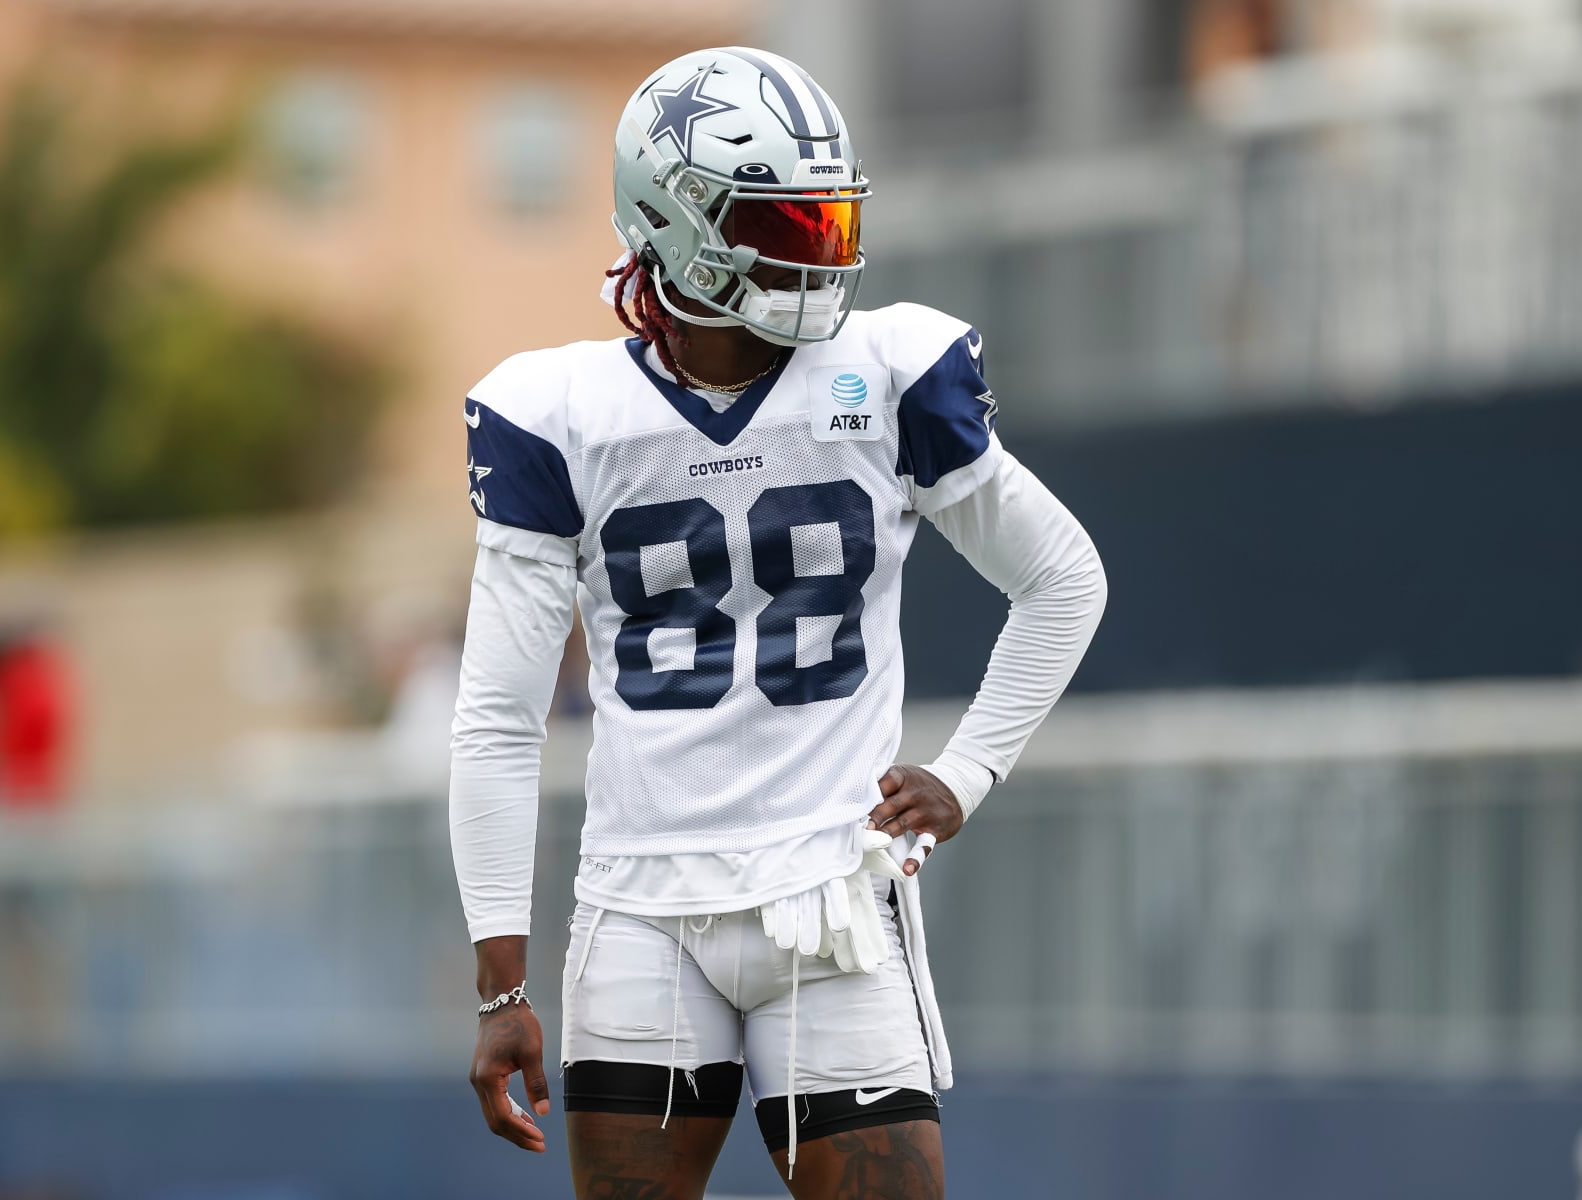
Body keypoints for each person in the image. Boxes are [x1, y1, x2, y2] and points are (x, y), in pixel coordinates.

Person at [449, 47, 1107, 1200]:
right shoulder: (557, 415)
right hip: (642, 907)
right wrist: (502, 982)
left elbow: (1063, 577)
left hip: (830, 897)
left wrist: (970, 771)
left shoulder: (889, 372)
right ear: (673, 220)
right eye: (783, 224)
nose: (819, 251)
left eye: (827, 219)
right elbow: (500, 719)